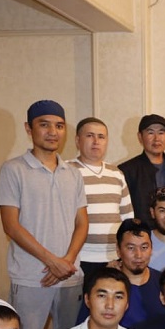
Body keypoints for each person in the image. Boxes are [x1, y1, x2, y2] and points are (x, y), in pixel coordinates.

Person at [0, 99, 88, 329]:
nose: (52, 132)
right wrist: (52, 262)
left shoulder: (73, 173)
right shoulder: (13, 170)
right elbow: (11, 225)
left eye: (59, 126)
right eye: (44, 125)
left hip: (70, 276)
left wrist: (66, 261)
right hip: (31, 277)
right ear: (29, 128)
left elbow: (82, 222)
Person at [69, 117, 133, 278]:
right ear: (77, 140)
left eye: (101, 137)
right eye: (90, 135)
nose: (96, 141)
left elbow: (128, 218)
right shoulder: (66, 171)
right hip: (78, 258)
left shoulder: (116, 173)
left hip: (113, 258)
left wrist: (122, 256)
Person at [75, 218, 164, 328]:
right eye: (131, 248)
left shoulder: (163, 282)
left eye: (144, 247)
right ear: (118, 249)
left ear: (151, 248)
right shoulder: (102, 285)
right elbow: (83, 327)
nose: (139, 255)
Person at [118, 114, 165, 226]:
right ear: (140, 136)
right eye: (150, 132)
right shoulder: (126, 171)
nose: (157, 138)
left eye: (161, 133)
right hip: (142, 234)